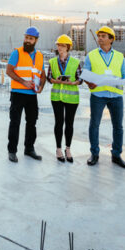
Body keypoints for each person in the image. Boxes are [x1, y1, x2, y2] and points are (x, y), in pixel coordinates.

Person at [84, 26, 125, 169]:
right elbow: (85, 73)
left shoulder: (119, 56)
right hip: (98, 95)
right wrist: (90, 83)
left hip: (116, 96)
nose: (100, 38)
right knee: (94, 125)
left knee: (118, 126)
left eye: (103, 36)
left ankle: (116, 155)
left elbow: (124, 74)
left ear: (111, 39)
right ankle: (94, 153)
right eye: (99, 35)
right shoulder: (91, 55)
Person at [5, 26, 45, 162]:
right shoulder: (17, 53)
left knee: (32, 123)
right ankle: (12, 151)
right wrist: (23, 82)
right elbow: (9, 71)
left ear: (36, 40)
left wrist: (41, 87)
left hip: (32, 95)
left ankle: (29, 149)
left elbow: (43, 75)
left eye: (30, 38)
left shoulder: (39, 56)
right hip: (17, 94)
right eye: (26, 37)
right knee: (15, 122)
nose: (27, 40)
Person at [46, 34, 82, 163]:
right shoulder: (52, 62)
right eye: (58, 45)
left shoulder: (75, 62)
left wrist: (73, 83)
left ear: (68, 47)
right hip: (57, 97)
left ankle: (68, 149)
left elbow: (80, 79)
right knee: (59, 123)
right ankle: (58, 149)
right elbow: (49, 78)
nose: (59, 47)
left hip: (72, 98)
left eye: (62, 45)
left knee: (69, 123)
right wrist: (54, 80)